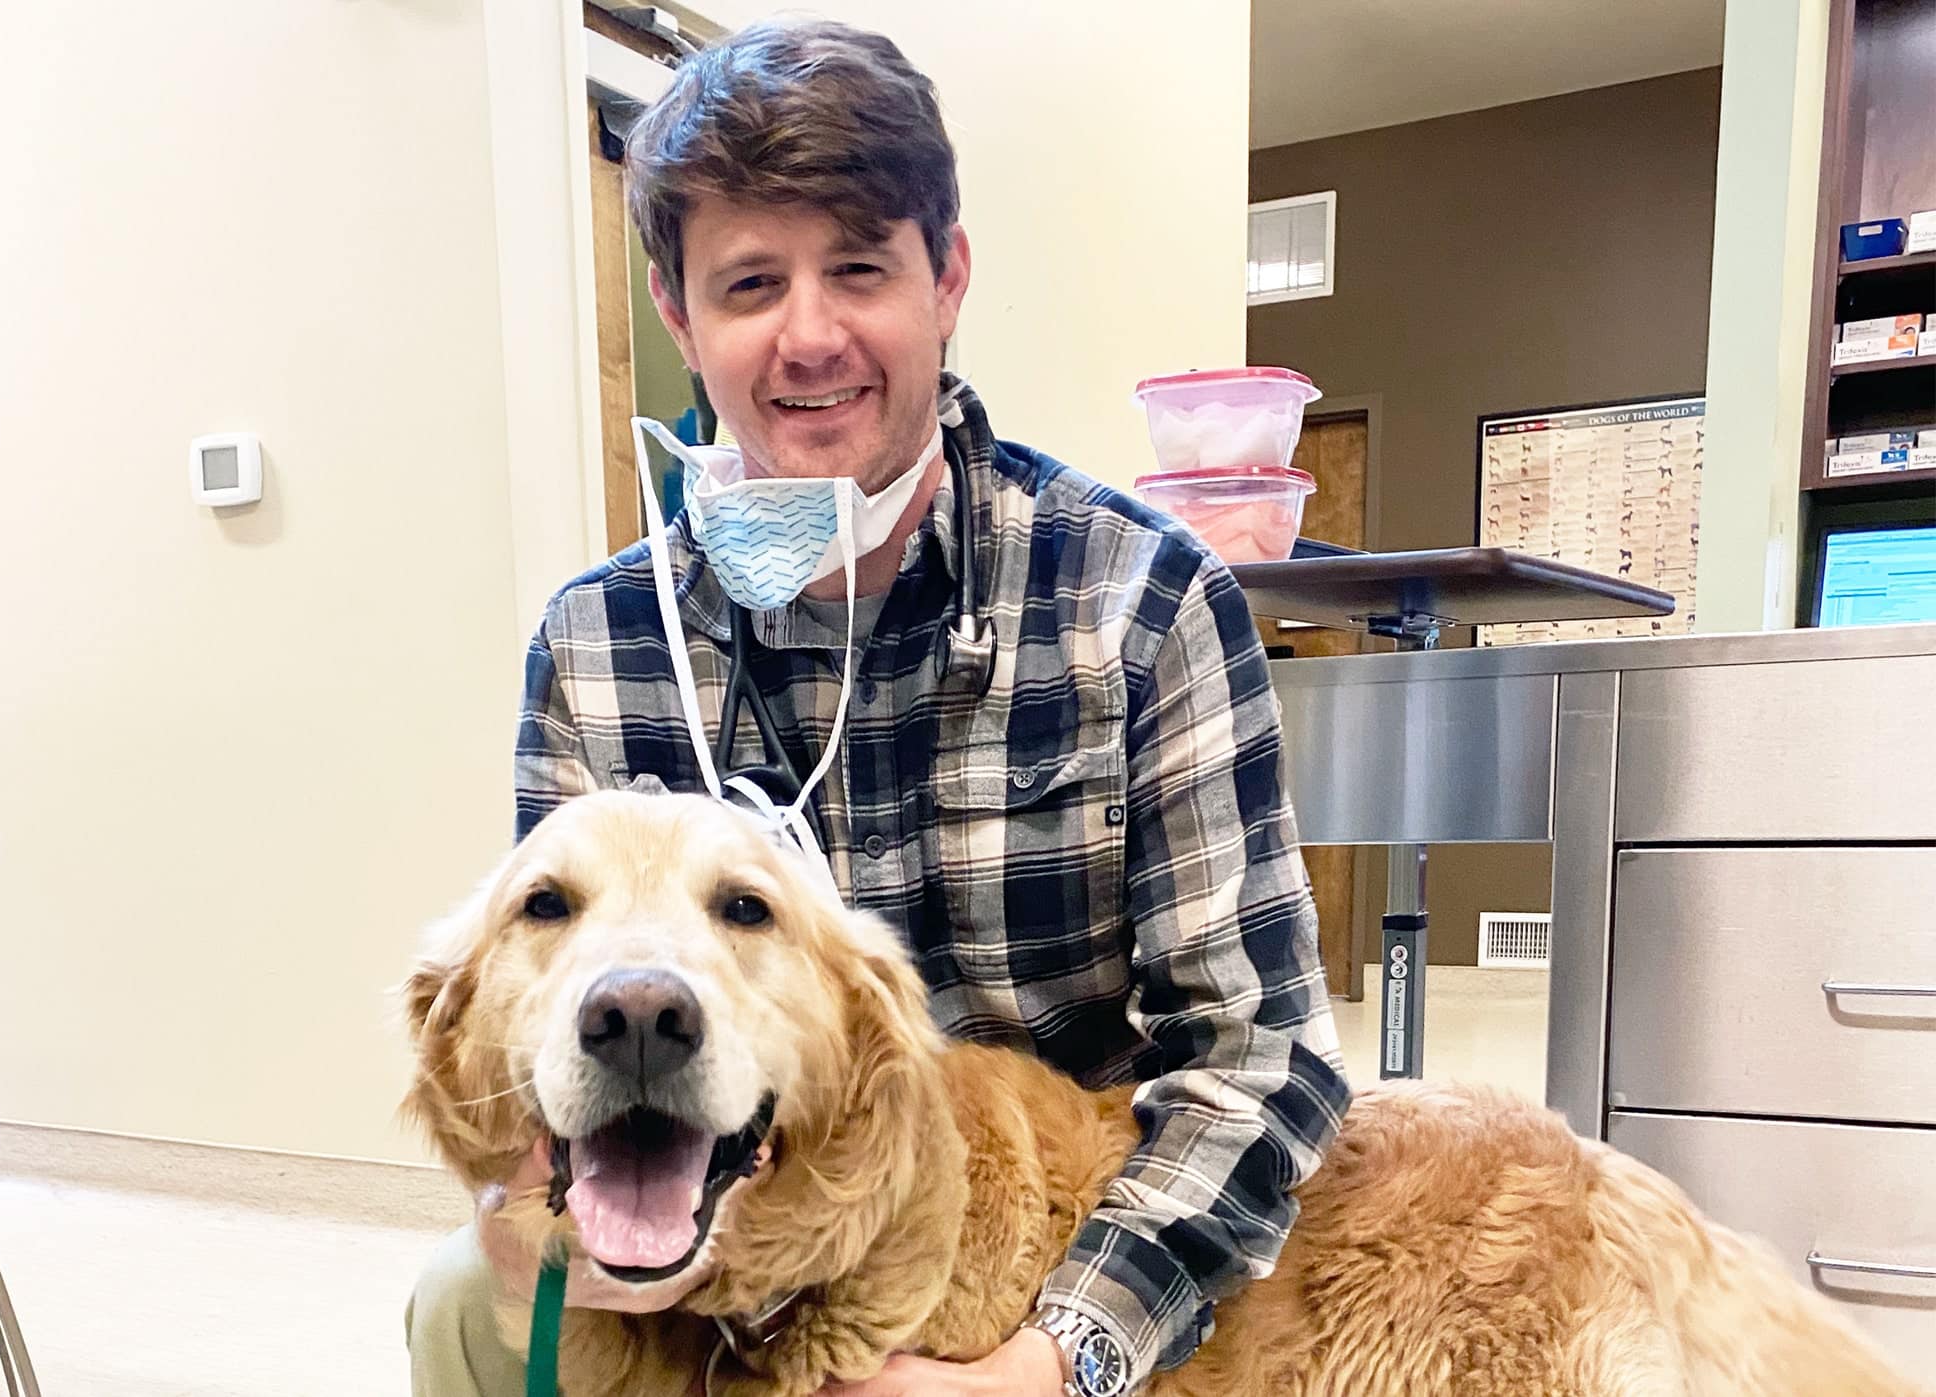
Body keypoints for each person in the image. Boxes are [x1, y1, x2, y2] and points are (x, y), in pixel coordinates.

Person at [406, 18, 1348, 1397]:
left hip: (1051, 1248)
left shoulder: (1143, 602)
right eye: (747, 282)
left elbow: (1260, 1058)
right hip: (735, 1224)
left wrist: (1052, 1362)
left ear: (947, 277)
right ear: (677, 314)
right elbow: (557, 1017)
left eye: (859, 268)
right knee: (455, 1311)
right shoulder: (598, 643)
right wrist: (532, 1205)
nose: (809, 335)